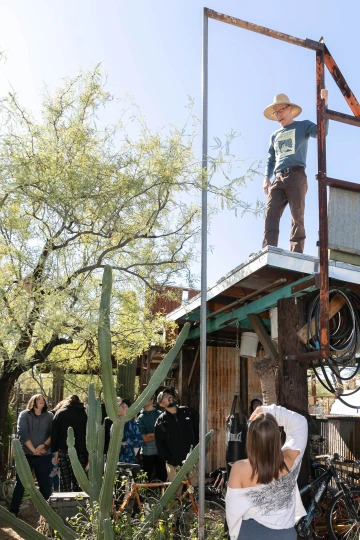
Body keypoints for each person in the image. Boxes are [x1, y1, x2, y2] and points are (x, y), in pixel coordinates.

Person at [226, 404, 308, 539]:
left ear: (250, 438)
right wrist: (267, 410)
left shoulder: (239, 468)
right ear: (278, 435)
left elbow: (233, 512)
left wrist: (235, 536)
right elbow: (300, 421)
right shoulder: (291, 459)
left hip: (251, 533)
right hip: (285, 534)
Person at [262, 90, 328, 253]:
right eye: (275, 112)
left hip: (296, 175)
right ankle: (267, 250)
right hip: (278, 177)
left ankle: (296, 252)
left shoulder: (303, 126)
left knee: (297, 216)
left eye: (281, 110)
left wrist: (325, 104)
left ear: (290, 109)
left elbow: (322, 132)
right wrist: (266, 177)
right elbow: (270, 159)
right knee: (270, 213)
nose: (278, 114)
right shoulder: (274, 135)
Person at [9, 394, 53, 516]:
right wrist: (33, 450)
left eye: (43, 399)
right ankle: (13, 510)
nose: (42, 401)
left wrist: (43, 446)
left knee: (45, 484)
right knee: (21, 482)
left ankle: (47, 514)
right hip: (26, 455)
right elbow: (23, 432)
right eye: (39, 399)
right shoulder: (24, 415)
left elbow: (53, 433)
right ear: (33, 401)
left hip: (44, 455)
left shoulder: (50, 416)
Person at [154, 390, 199, 483]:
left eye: (169, 394)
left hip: (193, 462)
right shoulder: (160, 422)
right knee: (176, 495)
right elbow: (160, 446)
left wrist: (196, 454)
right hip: (174, 466)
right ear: (162, 404)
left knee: (195, 492)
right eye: (165, 396)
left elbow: (198, 432)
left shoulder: (188, 412)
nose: (169, 396)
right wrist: (173, 460)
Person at [51, 394, 88, 492]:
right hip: (80, 451)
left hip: (63, 450)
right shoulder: (84, 414)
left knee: (64, 479)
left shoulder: (60, 413)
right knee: (79, 480)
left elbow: (54, 434)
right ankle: (79, 503)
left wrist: (55, 451)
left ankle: (64, 502)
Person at [137, 395, 166, 482]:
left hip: (161, 451)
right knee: (146, 478)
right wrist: (157, 434)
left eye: (145, 398)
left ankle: (163, 495)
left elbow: (165, 433)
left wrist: (151, 434)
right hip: (147, 452)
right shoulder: (140, 418)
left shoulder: (160, 414)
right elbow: (144, 439)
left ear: (152, 400)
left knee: (162, 477)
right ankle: (145, 496)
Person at [115, 399, 144, 463]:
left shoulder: (133, 424)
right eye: (122, 406)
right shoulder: (114, 424)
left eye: (127, 406)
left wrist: (127, 442)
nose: (125, 408)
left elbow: (140, 442)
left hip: (130, 459)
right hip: (115, 460)